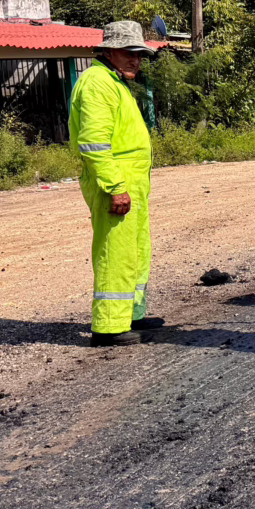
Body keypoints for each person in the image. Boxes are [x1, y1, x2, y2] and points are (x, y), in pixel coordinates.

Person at [70, 21, 165, 346]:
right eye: (128, 53)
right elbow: (94, 143)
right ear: (109, 52)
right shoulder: (98, 83)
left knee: (135, 250)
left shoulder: (113, 81)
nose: (136, 60)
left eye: (139, 54)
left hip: (129, 181)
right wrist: (115, 186)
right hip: (115, 181)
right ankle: (109, 326)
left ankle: (130, 314)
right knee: (115, 252)